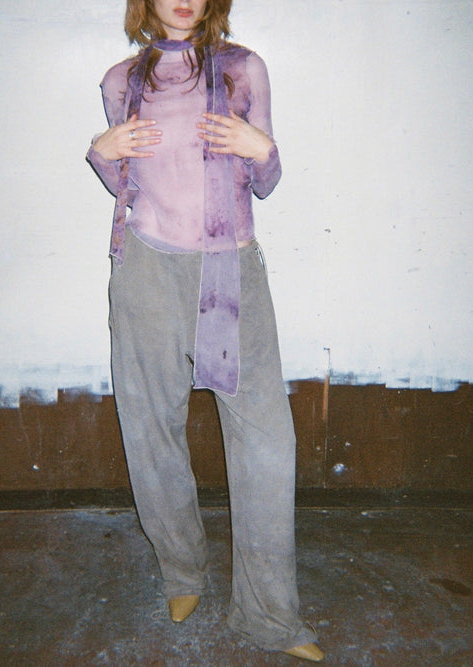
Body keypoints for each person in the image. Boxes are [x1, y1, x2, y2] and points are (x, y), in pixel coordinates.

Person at [87, 0, 324, 661]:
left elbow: (264, 180)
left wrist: (263, 150)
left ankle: (270, 616)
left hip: (230, 268)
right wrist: (101, 154)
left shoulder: (243, 68)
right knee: (150, 427)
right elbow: (126, 182)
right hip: (145, 270)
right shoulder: (120, 80)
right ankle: (182, 572)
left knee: (266, 442)